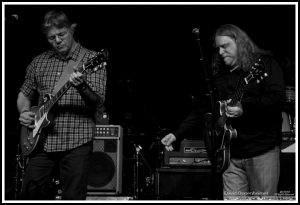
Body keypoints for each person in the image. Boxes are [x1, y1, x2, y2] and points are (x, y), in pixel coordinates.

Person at [161, 24, 285, 200]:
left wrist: (245, 110)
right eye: (218, 48)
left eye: (225, 46)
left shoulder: (264, 64)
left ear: (240, 42)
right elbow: (203, 108)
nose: (220, 52)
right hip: (230, 156)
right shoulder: (221, 75)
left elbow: (276, 99)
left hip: (262, 152)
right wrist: (176, 133)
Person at [17, 10, 107, 200]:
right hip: (40, 143)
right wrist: (24, 111)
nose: (57, 40)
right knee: (29, 195)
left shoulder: (91, 59)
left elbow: (98, 102)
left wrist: (81, 85)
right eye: (51, 38)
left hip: (77, 142)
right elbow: (24, 95)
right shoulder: (39, 61)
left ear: (72, 30)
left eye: (61, 34)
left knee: (73, 197)